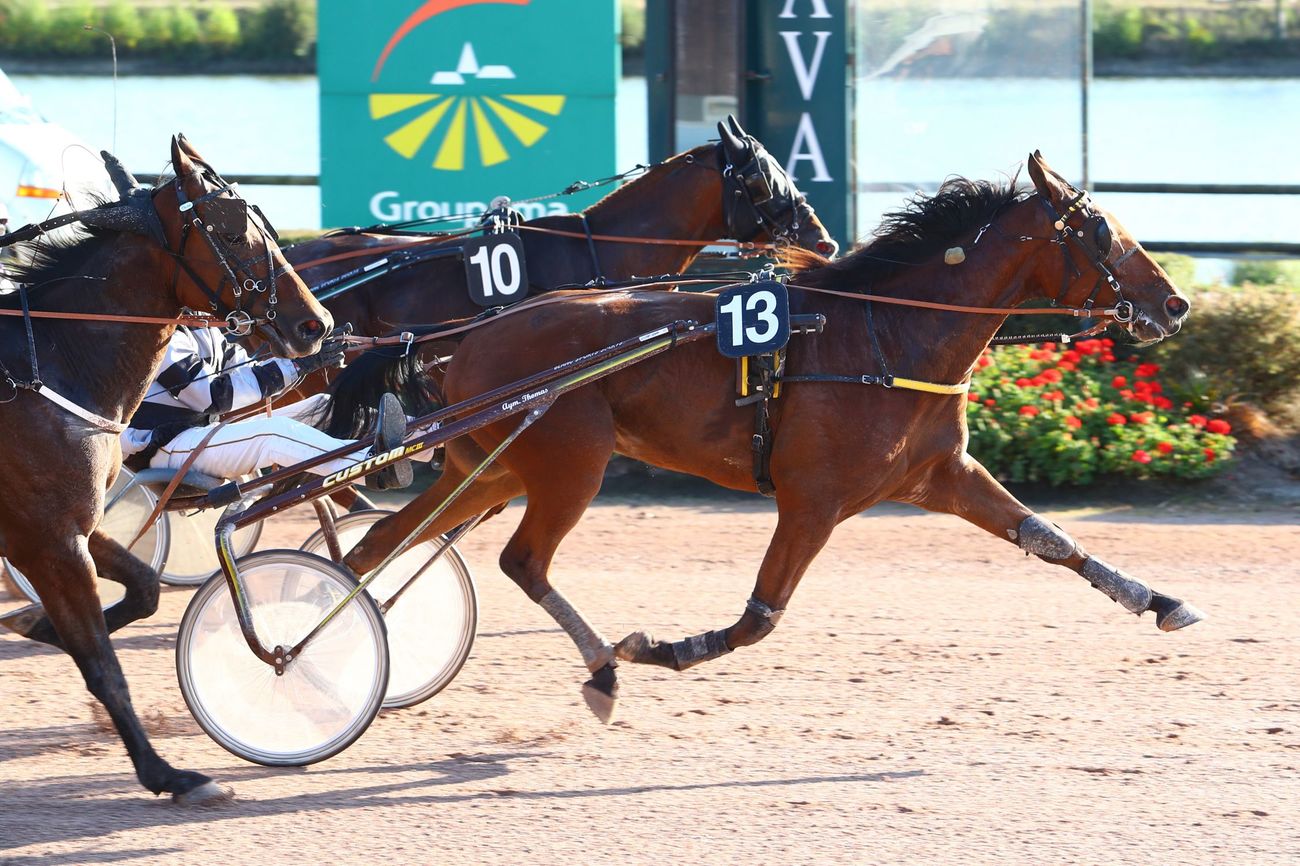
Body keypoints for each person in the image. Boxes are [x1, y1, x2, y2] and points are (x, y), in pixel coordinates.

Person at [120, 325, 412, 489]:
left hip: (197, 436)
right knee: (273, 434)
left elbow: (249, 374)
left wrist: (303, 360)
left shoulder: (205, 331)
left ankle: (422, 437)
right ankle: (371, 468)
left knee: (322, 406)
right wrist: (298, 365)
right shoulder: (162, 339)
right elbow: (214, 395)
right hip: (164, 450)